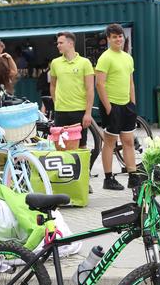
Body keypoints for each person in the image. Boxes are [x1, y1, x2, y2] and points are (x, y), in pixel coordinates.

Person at [95, 23, 139, 191]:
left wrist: (132, 103)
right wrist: (108, 108)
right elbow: (99, 84)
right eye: (114, 37)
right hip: (112, 105)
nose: (118, 39)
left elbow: (131, 83)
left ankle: (133, 176)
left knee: (128, 141)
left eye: (120, 36)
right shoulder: (105, 57)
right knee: (110, 142)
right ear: (108, 39)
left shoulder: (127, 57)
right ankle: (108, 178)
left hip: (127, 105)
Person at [49, 32, 95, 150]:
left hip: (79, 110)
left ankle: (83, 169)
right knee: (61, 145)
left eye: (61, 43)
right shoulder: (55, 63)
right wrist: (56, 102)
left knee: (81, 145)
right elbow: (53, 85)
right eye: (57, 43)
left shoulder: (85, 62)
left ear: (70, 43)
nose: (58, 45)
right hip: (61, 111)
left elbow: (90, 88)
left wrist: (88, 113)